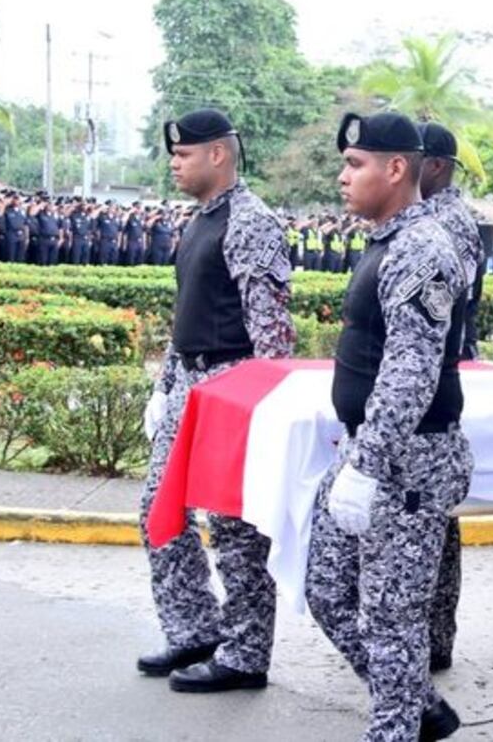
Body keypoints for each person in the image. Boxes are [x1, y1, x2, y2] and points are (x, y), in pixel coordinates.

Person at [305, 111, 470, 742]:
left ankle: (397, 727)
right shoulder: (388, 241)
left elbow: (410, 372)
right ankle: (419, 706)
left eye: (355, 165)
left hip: (409, 461)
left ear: (396, 168)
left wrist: (367, 463)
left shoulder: (423, 248)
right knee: (327, 590)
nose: (343, 177)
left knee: (391, 617)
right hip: (368, 453)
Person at [136, 108, 295, 693]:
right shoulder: (200, 219)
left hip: (233, 388)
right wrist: (164, 386)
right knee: (161, 511)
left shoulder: (251, 222)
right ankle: (194, 629)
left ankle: (247, 652)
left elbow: (272, 332)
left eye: (183, 155)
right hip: (189, 384)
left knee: (233, 528)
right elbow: (188, 315)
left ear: (218, 155)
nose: (174, 163)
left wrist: (262, 404)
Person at [415, 120, 482, 675]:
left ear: (435, 164)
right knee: (432, 520)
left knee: (435, 519)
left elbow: (443, 312)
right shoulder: (420, 216)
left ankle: (436, 635)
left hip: (436, 378)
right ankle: (427, 634)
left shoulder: (450, 223)